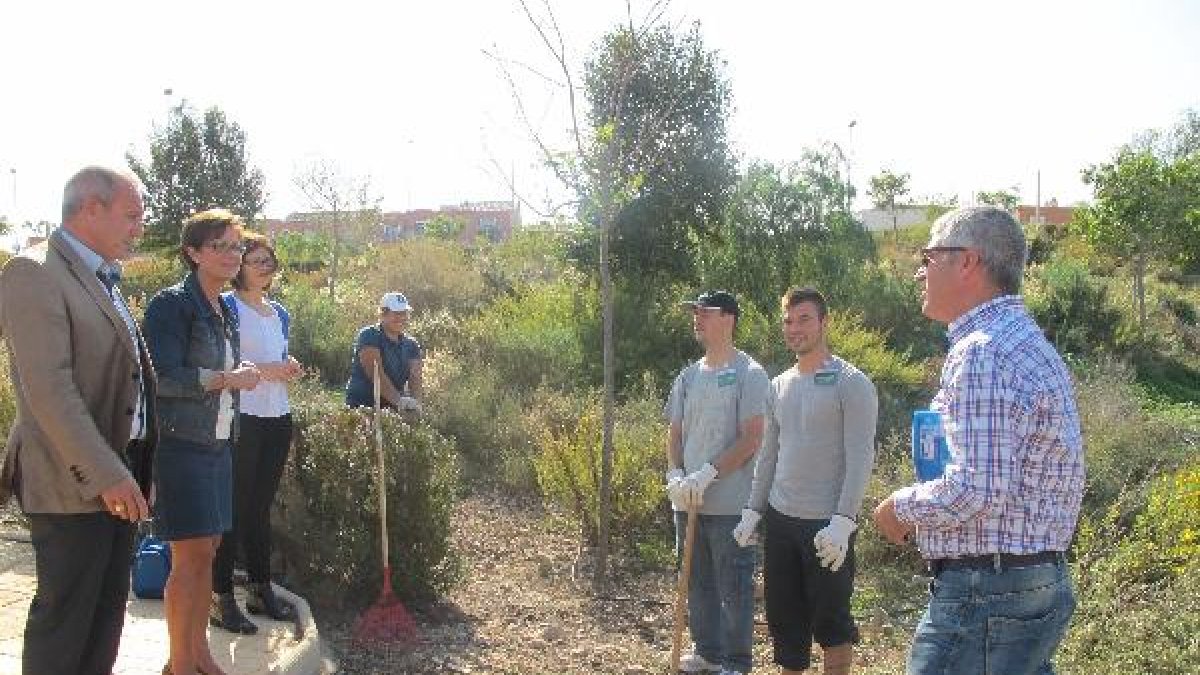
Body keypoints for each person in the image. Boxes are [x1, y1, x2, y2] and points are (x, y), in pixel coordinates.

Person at [872, 206, 1086, 675]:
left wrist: (898, 509)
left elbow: (978, 489)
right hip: (1030, 582)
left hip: (987, 592)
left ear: (966, 262)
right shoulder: (1028, 343)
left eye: (928, 257)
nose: (919, 272)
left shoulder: (982, 350)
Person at [0, 166, 157, 674]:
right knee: (65, 624)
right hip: (73, 480)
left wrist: (138, 467)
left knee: (105, 618)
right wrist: (109, 473)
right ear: (90, 208)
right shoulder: (34, 273)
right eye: (131, 216)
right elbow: (49, 390)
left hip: (117, 475)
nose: (140, 227)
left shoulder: (100, 275)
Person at [732, 287, 878, 675]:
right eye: (788, 321)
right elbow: (768, 455)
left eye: (804, 319)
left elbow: (861, 456)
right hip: (781, 523)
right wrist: (752, 510)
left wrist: (844, 522)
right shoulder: (778, 385)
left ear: (824, 322)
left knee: (832, 626)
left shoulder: (852, 383)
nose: (795, 328)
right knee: (786, 625)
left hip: (826, 528)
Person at [143, 209, 262, 675]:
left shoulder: (227, 307)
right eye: (221, 246)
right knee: (189, 558)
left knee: (207, 552)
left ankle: (196, 656)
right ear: (193, 253)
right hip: (182, 445)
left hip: (218, 443)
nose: (233, 255)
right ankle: (181, 662)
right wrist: (226, 378)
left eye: (237, 246)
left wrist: (236, 380)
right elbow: (166, 377)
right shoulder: (171, 304)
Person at [664, 290, 770, 675]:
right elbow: (674, 433)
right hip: (688, 503)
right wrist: (675, 473)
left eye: (704, 312)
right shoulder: (688, 376)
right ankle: (707, 651)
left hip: (731, 504)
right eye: (694, 312)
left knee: (735, 587)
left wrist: (707, 473)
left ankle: (736, 663)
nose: (697, 318)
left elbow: (751, 437)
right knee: (696, 581)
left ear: (729, 319)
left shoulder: (750, 373)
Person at [210, 231, 302, 634]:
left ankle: (260, 588)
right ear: (239, 266)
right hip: (240, 417)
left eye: (269, 260)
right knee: (232, 508)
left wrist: (288, 367)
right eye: (256, 260)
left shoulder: (278, 311)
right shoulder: (226, 307)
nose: (265, 267)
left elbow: (275, 360)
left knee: (259, 508)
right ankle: (221, 595)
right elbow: (224, 364)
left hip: (276, 415)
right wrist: (269, 370)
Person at [344, 292, 423, 411]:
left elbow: (415, 377)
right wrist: (399, 401)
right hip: (363, 406)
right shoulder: (369, 335)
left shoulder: (411, 345)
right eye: (396, 313)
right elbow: (376, 374)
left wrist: (416, 405)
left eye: (404, 313)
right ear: (383, 314)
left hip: (391, 408)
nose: (401, 317)